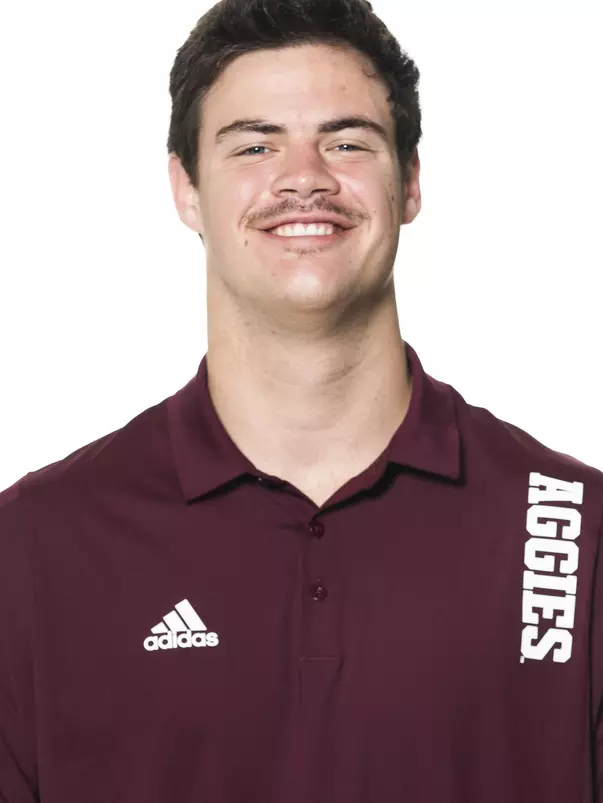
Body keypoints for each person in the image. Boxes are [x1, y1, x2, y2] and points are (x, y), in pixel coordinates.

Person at [1, 0, 602, 800]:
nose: (304, 178)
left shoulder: (572, 533)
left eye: (347, 141)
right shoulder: (34, 549)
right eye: (254, 145)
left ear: (410, 180)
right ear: (185, 189)